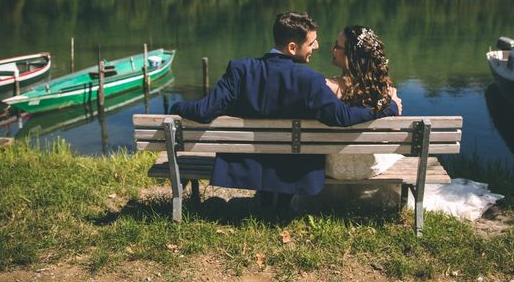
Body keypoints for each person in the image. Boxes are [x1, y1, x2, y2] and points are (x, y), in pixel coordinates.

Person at [169, 12, 402, 204]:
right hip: (292, 170)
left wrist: (175, 106)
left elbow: (203, 112)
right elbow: (341, 116)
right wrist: (386, 108)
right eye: (312, 43)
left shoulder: (239, 70)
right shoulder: (310, 80)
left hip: (246, 166)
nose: (318, 46)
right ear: (292, 47)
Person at [325, 25, 403, 181]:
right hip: (370, 167)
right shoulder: (387, 92)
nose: (332, 49)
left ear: (351, 56)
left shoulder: (328, 87)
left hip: (334, 167)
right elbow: (395, 131)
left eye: (337, 46)